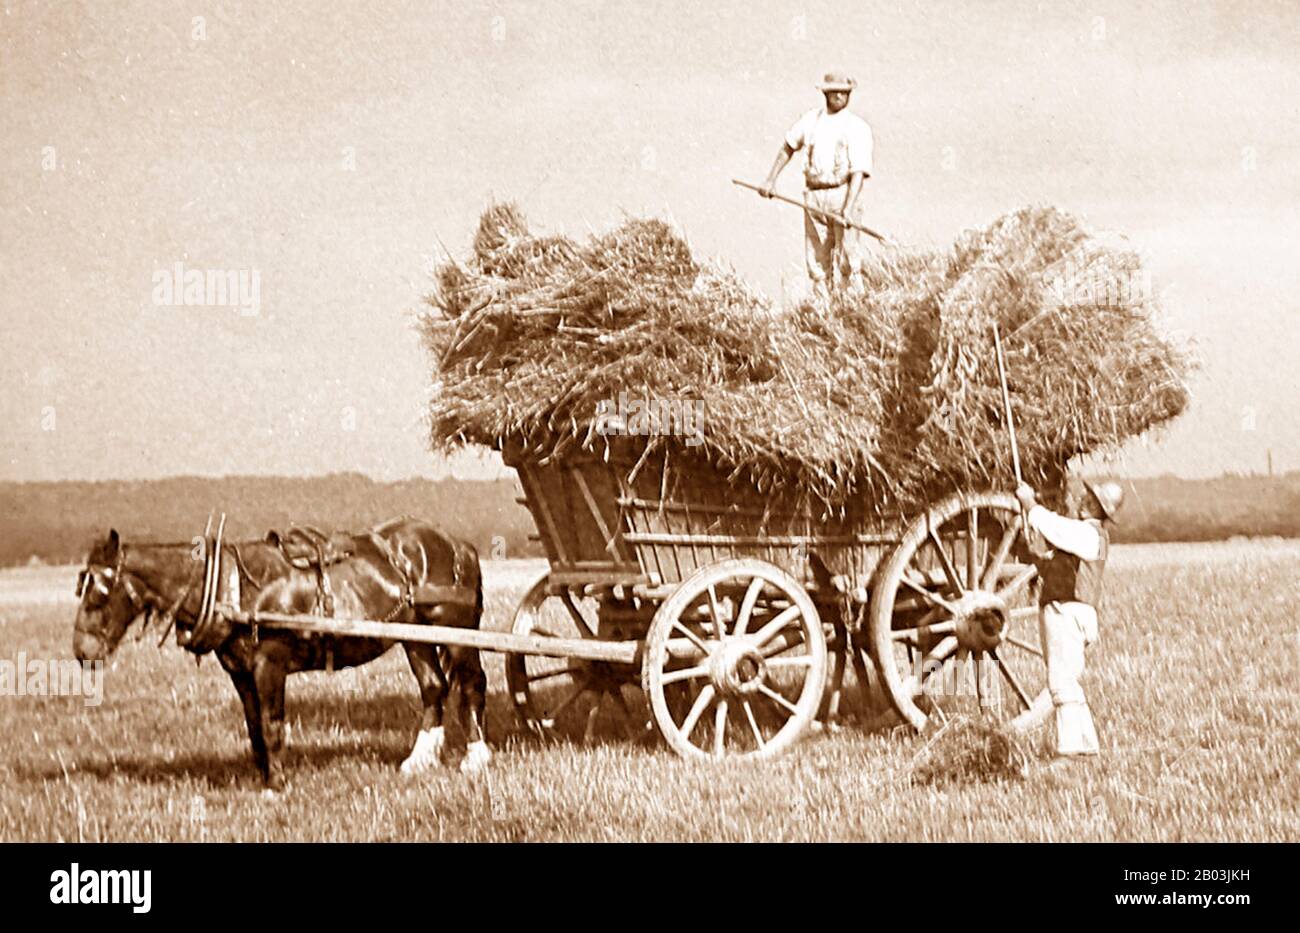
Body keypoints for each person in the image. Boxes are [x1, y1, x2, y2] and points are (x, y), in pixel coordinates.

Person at [1009, 479, 1125, 762]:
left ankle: (1071, 751)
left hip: (1070, 612)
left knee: (1062, 683)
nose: (1084, 501)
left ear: (1102, 511)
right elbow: (1050, 561)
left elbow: (1057, 529)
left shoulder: (1089, 534)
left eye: (1093, 501)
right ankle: (1085, 746)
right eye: (1086, 497)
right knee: (1064, 681)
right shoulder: (1082, 536)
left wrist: (1030, 505)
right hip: (1063, 610)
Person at [759, 70, 874, 296]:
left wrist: (848, 209)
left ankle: (852, 309)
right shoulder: (811, 120)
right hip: (814, 195)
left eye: (844, 92)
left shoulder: (857, 127)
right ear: (825, 93)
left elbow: (858, 171)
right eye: (834, 92)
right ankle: (822, 309)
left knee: (848, 258)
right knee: (817, 259)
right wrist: (770, 180)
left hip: (843, 193)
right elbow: (788, 147)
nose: (839, 96)